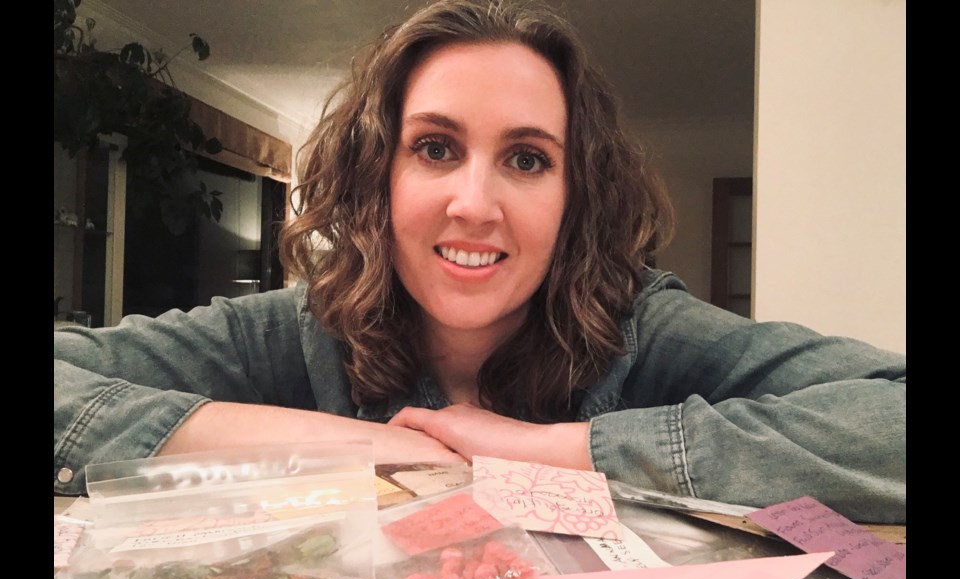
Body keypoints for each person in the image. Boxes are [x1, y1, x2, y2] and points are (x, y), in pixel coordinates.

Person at [54, 0, 905, 523]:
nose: (474, 202)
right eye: (433, 148)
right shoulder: (283, 333)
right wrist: (350, 445)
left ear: (577, 196)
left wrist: (544, 450)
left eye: (527, 159)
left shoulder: (646, 328)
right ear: (378, 176)